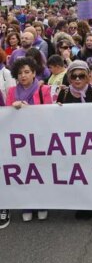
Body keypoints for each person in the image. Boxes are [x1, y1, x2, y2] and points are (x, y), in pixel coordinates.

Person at [56, 60, 92, 220]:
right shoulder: (63, 93)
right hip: (71, 142)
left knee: (91, 173)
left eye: (81, 76)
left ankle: (91, 204)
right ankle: (79, 202)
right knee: (77, 174)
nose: (77, 79)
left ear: (88, 77)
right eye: (74, 76)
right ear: (69, 77)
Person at [6, 57, 52, 222]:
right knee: (25, 171)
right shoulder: (11, 92)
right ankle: (27, 204)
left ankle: (42, 203)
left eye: (27, 72)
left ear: (34, 73)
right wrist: (14, 108)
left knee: (40, 171)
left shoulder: (44, 89)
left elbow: (50, 113)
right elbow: (6, 114)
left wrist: (29, 109)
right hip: (20, 139)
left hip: (40, 137)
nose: (23, 76)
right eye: (19, 73)